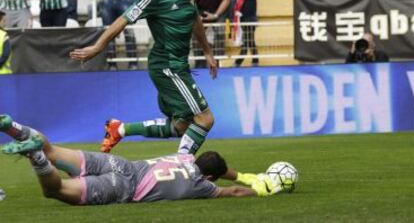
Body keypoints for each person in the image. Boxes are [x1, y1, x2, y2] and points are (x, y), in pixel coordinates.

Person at [70, 0, 218, 155]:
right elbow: (123, 20)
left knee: (182, 126)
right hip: (167, 67)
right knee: (205, 119)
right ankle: (181, 167)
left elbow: (195, 18)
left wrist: (207, 51)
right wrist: (98, 46)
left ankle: (120, 129)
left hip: (179, 66)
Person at [0, 114, 282, 205]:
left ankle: (13, 128)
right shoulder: (203, 187)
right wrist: (262, 189)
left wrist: (236, 173)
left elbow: (214, 166)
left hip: (119, 165)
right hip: (123, 187)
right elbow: (231, 190)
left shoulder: (183, 155)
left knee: (54, 150)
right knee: (55, 190)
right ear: (209, 177)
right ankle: (35, 156)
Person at [230, 0, 258, 67]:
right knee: (250, 41)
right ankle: (255, 60)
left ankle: (238, 62)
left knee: (247, 42)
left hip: (250, 21)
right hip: (241, 21)